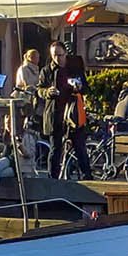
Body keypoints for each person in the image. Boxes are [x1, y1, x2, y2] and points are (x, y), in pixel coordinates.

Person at [38, 42, 91, 180]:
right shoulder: (46, 70)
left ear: (65, 53)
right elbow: (39, 90)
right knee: (55, 149)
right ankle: (53, 180)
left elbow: (86, 88)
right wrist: (47, 92)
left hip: (72, 113)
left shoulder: (74, 67)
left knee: (80, 147)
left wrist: (78, 86)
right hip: (55, 113)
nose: (57, 59)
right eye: (54, 55)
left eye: (60, 55)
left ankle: (87, 176)